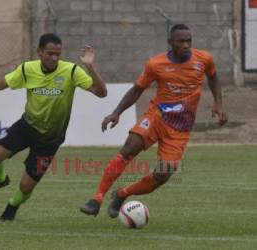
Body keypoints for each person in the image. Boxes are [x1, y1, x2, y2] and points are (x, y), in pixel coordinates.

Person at [80, 24, 228, 218]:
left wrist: (218, 104)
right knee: (129, 147)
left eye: (188, 41)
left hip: (180, 129)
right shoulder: (155, 64)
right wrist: (116, 113)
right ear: (170, 42)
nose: (185, 45)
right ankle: (96, 199)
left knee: (162, 175)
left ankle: (122, 194)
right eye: (181, 41)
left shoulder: (204, 59)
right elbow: (137, 90)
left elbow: (214, 78)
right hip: (156, 117)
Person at [0, 33, 107, 221]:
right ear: (39, 52)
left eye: (58, 54)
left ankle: (12, 206)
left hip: (50, 139)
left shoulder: (71, 71)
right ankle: (0, 180)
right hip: (27, 126)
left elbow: (101, 93)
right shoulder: (27, 69)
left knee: (25, 187)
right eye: (50, 54)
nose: (54, 58)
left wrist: (89, 66)